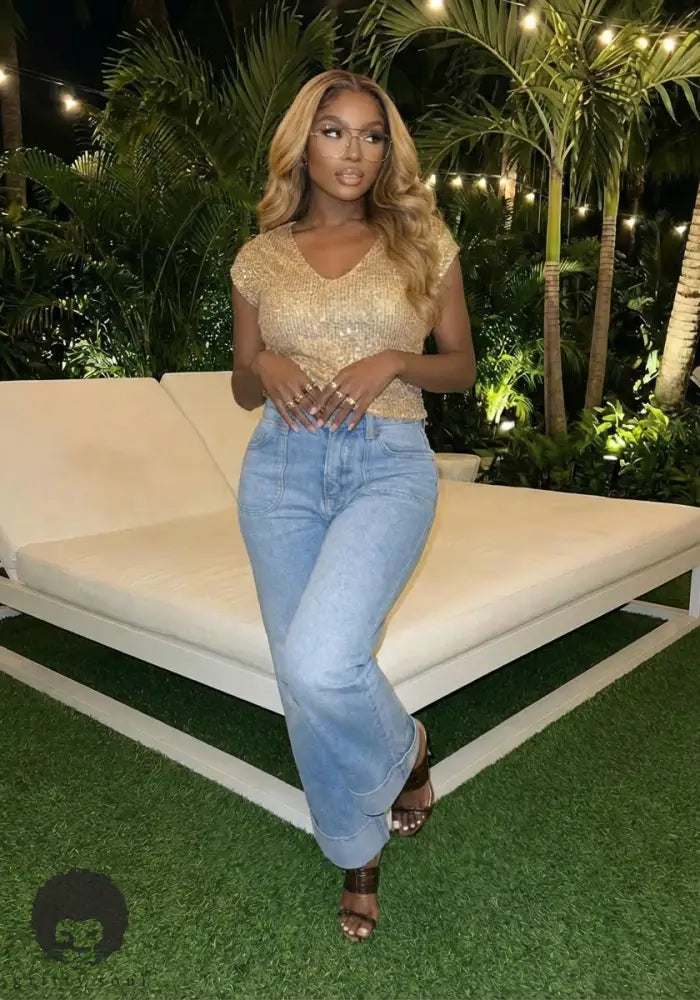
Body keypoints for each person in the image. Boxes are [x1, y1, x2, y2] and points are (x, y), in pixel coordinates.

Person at [230, 68, 476, 943]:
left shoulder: (422, 242)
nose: (355, 152)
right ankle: (355, 851)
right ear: (303, 141)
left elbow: (461, 367)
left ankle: (407, 750)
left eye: (373, 135)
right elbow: (241, 385)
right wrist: (265, 365)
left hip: (388, 465)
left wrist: (394, 362)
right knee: (300, 682)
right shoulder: (259, 257)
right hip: (280, 474)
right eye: (334, 131)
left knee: (323, 660)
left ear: (388, 148)